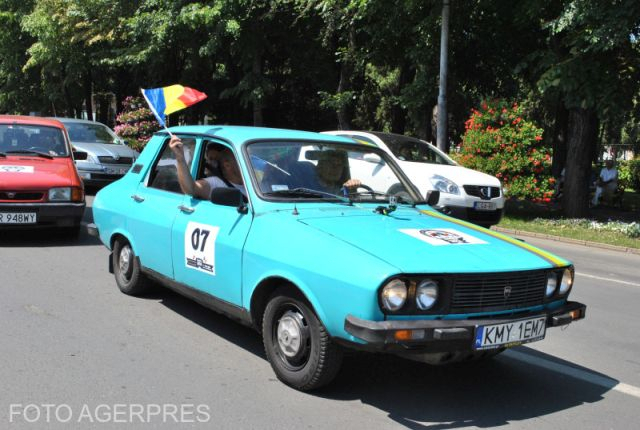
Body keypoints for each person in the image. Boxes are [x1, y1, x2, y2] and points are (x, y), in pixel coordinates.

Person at [169, 135, 246, 200]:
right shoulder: (216, 183)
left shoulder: (252, 183)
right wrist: (180, 159)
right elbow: (191, 189)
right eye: (241, 161)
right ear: (227, 165)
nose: (211, 163)